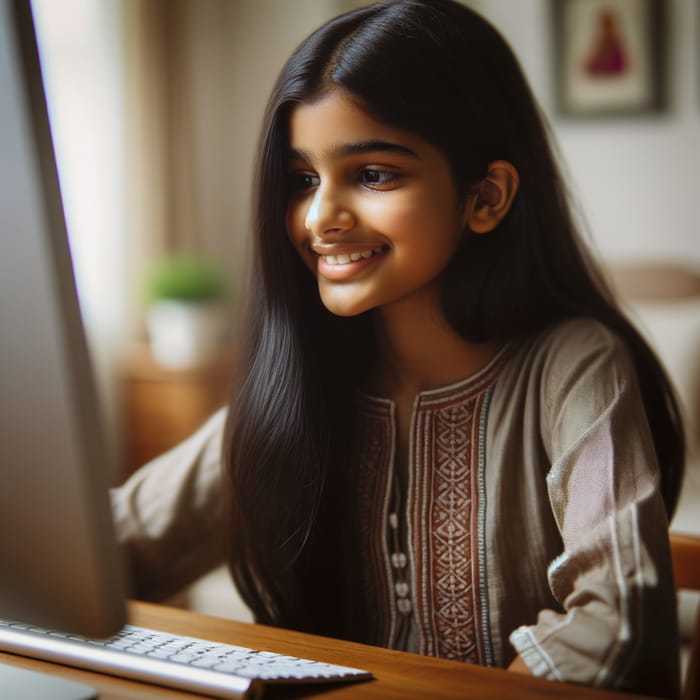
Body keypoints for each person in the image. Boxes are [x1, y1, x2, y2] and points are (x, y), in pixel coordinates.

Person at [112, 1, 685, 696]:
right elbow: (109, 547)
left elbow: (620, 626)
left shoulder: (575, 365)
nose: (321, 216)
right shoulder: (300, 383)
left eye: (374, 174)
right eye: (301, 180)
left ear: (487, 196)